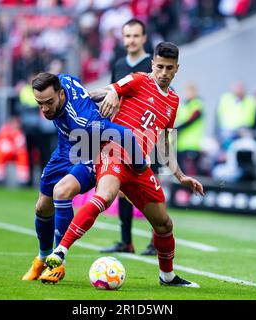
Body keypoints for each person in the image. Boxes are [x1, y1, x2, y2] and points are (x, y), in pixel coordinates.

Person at [42, 42, 205, 288]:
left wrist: (180, 175)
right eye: (159, 66)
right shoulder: (139, 79)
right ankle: (60, 252)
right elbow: (102, 92)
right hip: (114, 152)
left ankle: (167, 277)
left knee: (164, 224)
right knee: (104, 196)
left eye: (169, 68)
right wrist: (106, 93)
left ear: (176, 69)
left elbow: (165, 142)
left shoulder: (173, 101)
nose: (163, 72)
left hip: (139, 166)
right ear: (152, 64)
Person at [22, 72, 147, 281]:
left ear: (61, 94)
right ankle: (42, 258)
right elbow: (81, 90)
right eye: (39, 103)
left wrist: (140, 165)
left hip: (89, 152)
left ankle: (57, 263)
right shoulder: (62, 78)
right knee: (42, 206)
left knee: (61, 192)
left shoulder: (84, 121)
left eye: (49, 103)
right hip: (64, 149)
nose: (44, 109)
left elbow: (124, 134)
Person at [100, 18, 157, 256]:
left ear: (144, 38)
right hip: (123, 133)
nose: (131, 40)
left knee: (150, 187)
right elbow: (115, 94)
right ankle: (126, 241)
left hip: (147, 133)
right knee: (123, 185)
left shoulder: (152, 65)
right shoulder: (119, 64)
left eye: (135, 36)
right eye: (127, 36)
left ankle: (157, 240)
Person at [175, 83, 206, 176]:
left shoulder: (197, 104)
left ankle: (192, 190)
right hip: (181, 144)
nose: (188, 94)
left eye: (191, 91)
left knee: (191, 171)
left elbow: (191, 119)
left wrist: (177, 128)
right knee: (181, 171)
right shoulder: (183, 105)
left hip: (193, 144)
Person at [0, 116, 30, 187]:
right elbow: (2, 144)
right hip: (5, 152)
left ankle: (23, 180)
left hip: (16, 153)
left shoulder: (19, 133)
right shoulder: (4, 131)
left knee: (23, 155)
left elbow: (21, 144)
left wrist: (15, 149)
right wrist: (11, 148)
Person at [217, 82, 256, 149]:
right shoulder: (226, 99)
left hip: (244, 131)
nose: (239, 91)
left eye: (240, 89)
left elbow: (252, 118)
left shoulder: (250, 101)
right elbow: (219, 117)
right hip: (227, 131)